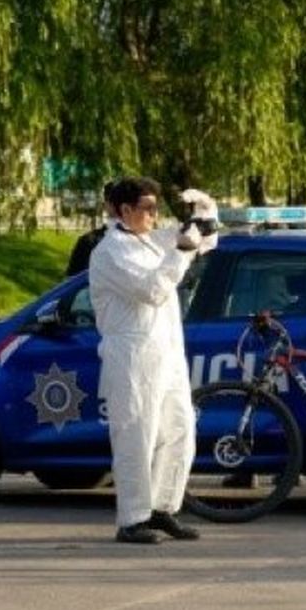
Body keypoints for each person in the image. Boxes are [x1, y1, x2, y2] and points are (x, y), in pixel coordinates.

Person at [88, 178, 218, 545]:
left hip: (167, 351)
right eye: (146, 208)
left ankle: (163, 508)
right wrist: (180, 250)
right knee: (136, 435)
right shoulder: (111, 251)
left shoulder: (150, 238)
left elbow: (204, 243)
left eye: (155, 207)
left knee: (179, 431)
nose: (153, 215)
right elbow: (153, 290)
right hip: (132, 354)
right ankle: (132, 518)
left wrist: (206, 215)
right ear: (124, 210)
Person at [64, 180, 117, 278]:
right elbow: (72, 283)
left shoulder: (143, 241)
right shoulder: (89, 242)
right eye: (115, 201)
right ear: (105, 205)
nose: (121, 207)